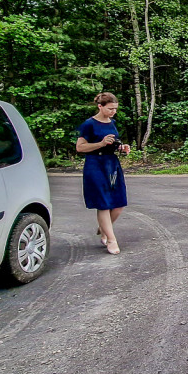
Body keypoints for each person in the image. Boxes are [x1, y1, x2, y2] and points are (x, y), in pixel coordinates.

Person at [76, 92, 132, 254]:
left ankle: (104, 228)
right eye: (110, 109)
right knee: (104, 204)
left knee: (119, 204)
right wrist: (100, 143)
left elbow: (112, 143)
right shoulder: (89, 124)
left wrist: (121, 147)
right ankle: (111, 239)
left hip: (112, 164)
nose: (113, 112)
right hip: (95, 165)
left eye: (115, 109)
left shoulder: (112, 123)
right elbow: (80, 147)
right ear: (100, 106)